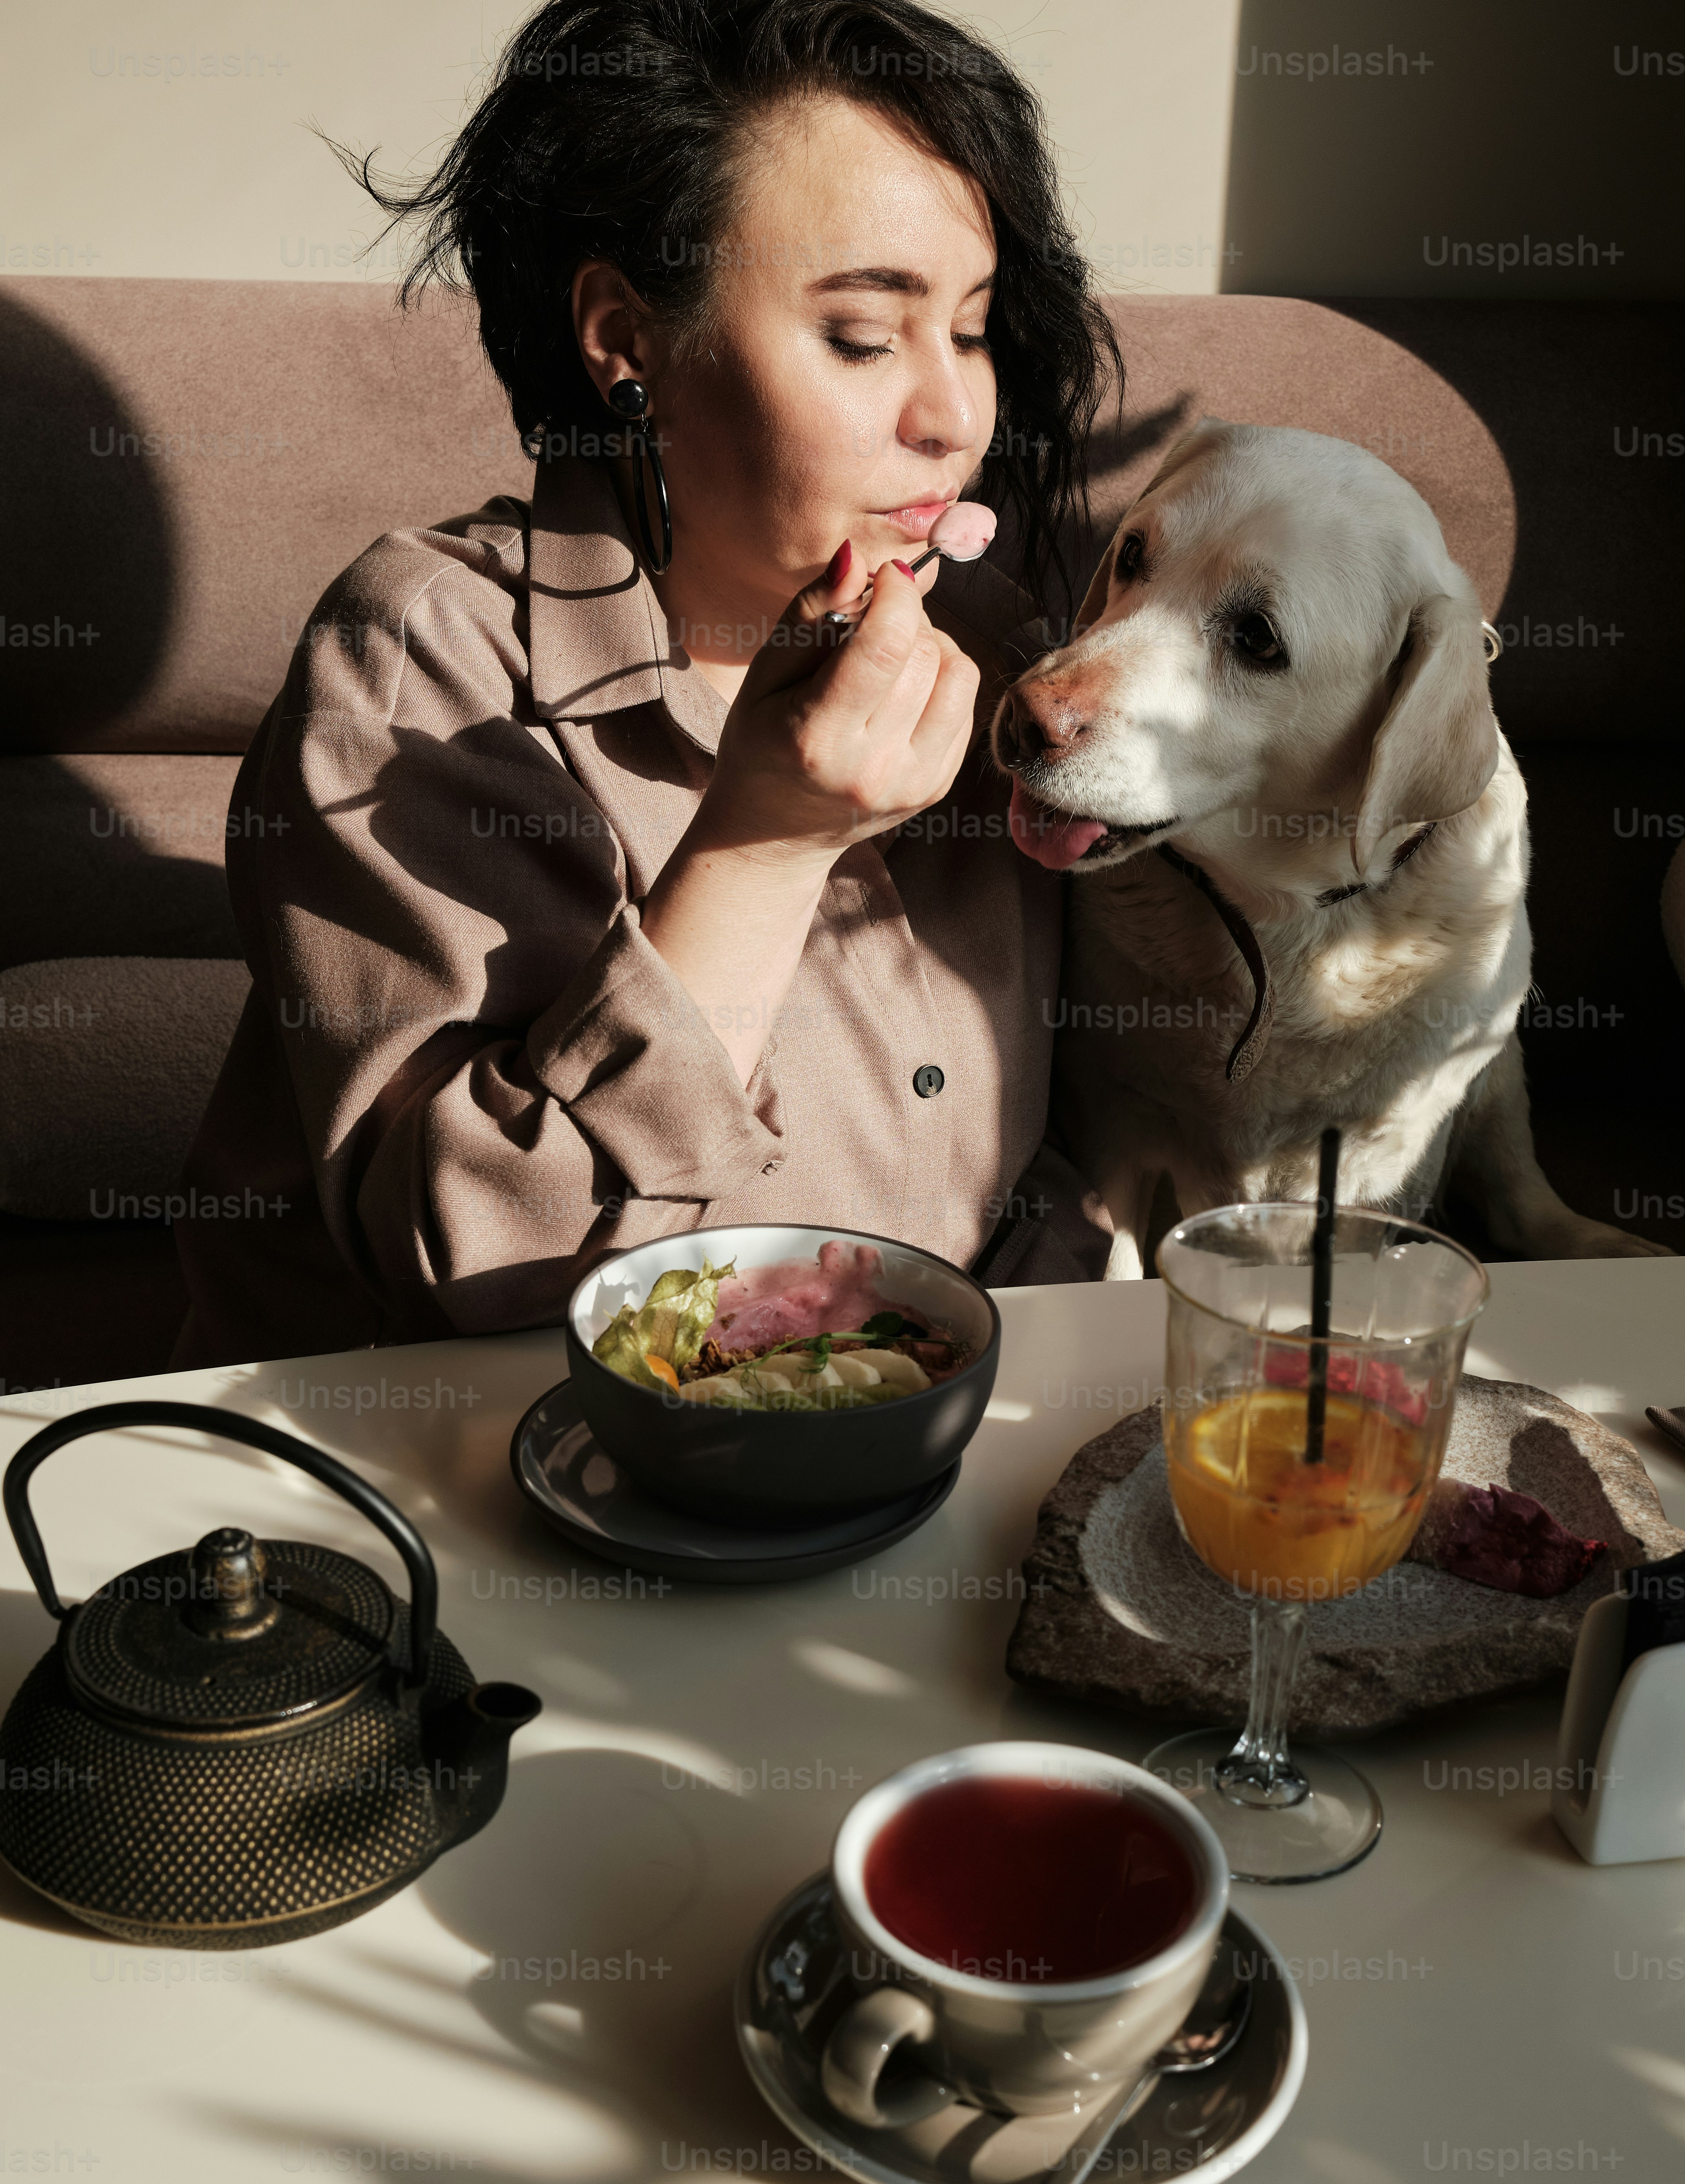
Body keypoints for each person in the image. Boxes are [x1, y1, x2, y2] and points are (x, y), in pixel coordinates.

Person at [171, 0, 1125, 1369]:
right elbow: (481, 1270)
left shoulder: (996, 639)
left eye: (970, 333)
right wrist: (768, 842)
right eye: (864, 336)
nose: (954, 416)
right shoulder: (422, 660)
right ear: (628, 339)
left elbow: (1056, 1146)